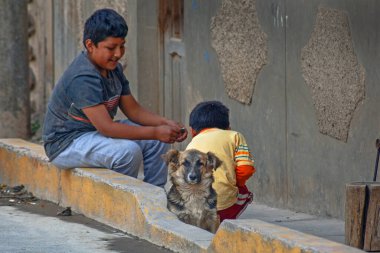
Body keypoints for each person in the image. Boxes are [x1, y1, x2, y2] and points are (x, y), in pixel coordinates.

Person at [42, 8, 187, 188]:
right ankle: (124, 204)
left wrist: (164, 123)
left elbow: (134, 110)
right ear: (90, 45)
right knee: (127, 152)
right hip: (66, 144)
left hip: (94, 134)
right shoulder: (83, 77)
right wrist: (155, 131)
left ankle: (154, 196)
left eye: (122, 46)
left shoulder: (113, 68)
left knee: (157, 141)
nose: (118, 53)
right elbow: (107, 128)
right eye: (111, 48)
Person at [186, 101, 255, 221]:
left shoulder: (191, 144)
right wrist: (235, 183)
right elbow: (246, 169)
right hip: (223, 205)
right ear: (228, 127)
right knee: (245, 194)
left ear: (192, 131)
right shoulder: (234, 136)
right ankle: (226, 222)